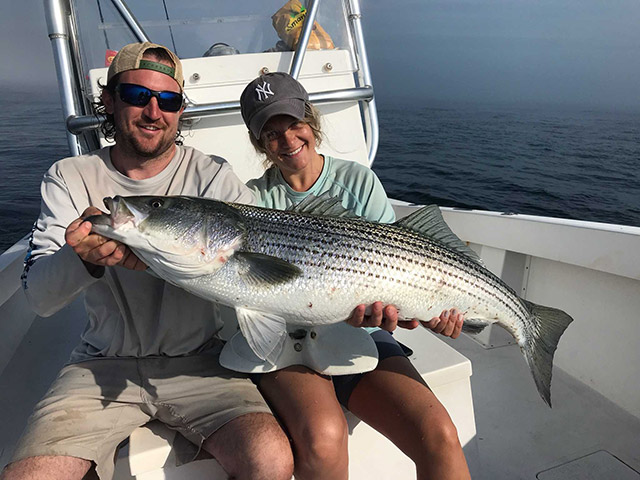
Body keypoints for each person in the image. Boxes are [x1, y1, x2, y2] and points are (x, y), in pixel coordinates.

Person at [1, 43, 294, 480]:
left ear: (179, 111)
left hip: (201, 360)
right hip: (101, 362)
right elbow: (40, 298)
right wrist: (83, 260)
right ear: (109, 100)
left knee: (271, 460)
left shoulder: (212, 176)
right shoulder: (69, 177)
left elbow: (266, 268)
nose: (154, 111)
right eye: (138, 96)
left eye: (169, 100)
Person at [240, 72, 472, 480]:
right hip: (290, 339)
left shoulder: (358, 181)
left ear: (311, 122)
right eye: (271, 133)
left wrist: (428, 313)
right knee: (324, 438)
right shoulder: (252, 199)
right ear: (259, 143)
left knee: (441, 436)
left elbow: (397, 273)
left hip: (361, 335)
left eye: (294, 124)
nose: (288, 139)